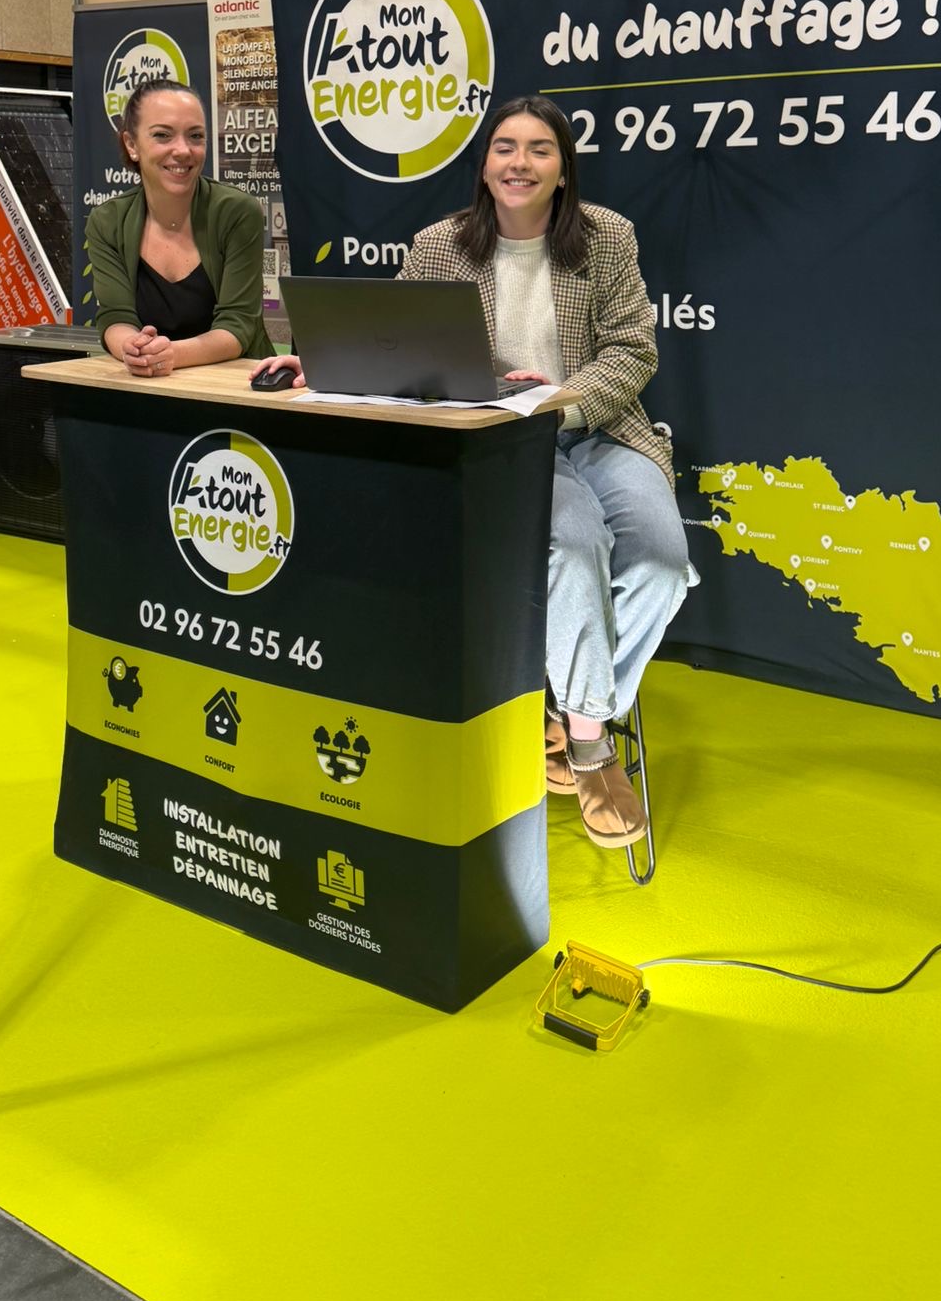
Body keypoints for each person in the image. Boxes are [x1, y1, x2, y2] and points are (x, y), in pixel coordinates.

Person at [257, 95, 693, 851]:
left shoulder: (607, 237)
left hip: (596, 429)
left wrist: (561, 402)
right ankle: (593, 747)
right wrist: (320, 361)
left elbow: (632, 350)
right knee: (571, 546)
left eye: (539, 150)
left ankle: (560, 711)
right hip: (501, 442)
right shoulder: (440, 245)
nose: (520, 163)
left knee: (661, 563)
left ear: (564, 171)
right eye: (504, 148)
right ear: (484, 165)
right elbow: (394, 340)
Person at [87, 77, 272, 379]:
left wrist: (167, 355)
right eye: (163, 135)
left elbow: (238, 325)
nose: (183, 150)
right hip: (147, 386)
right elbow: (115, 316)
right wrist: (132, 349)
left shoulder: (237, 211)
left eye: (195, 136)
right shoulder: (107, 222)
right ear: (131, 145)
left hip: (237, 387)